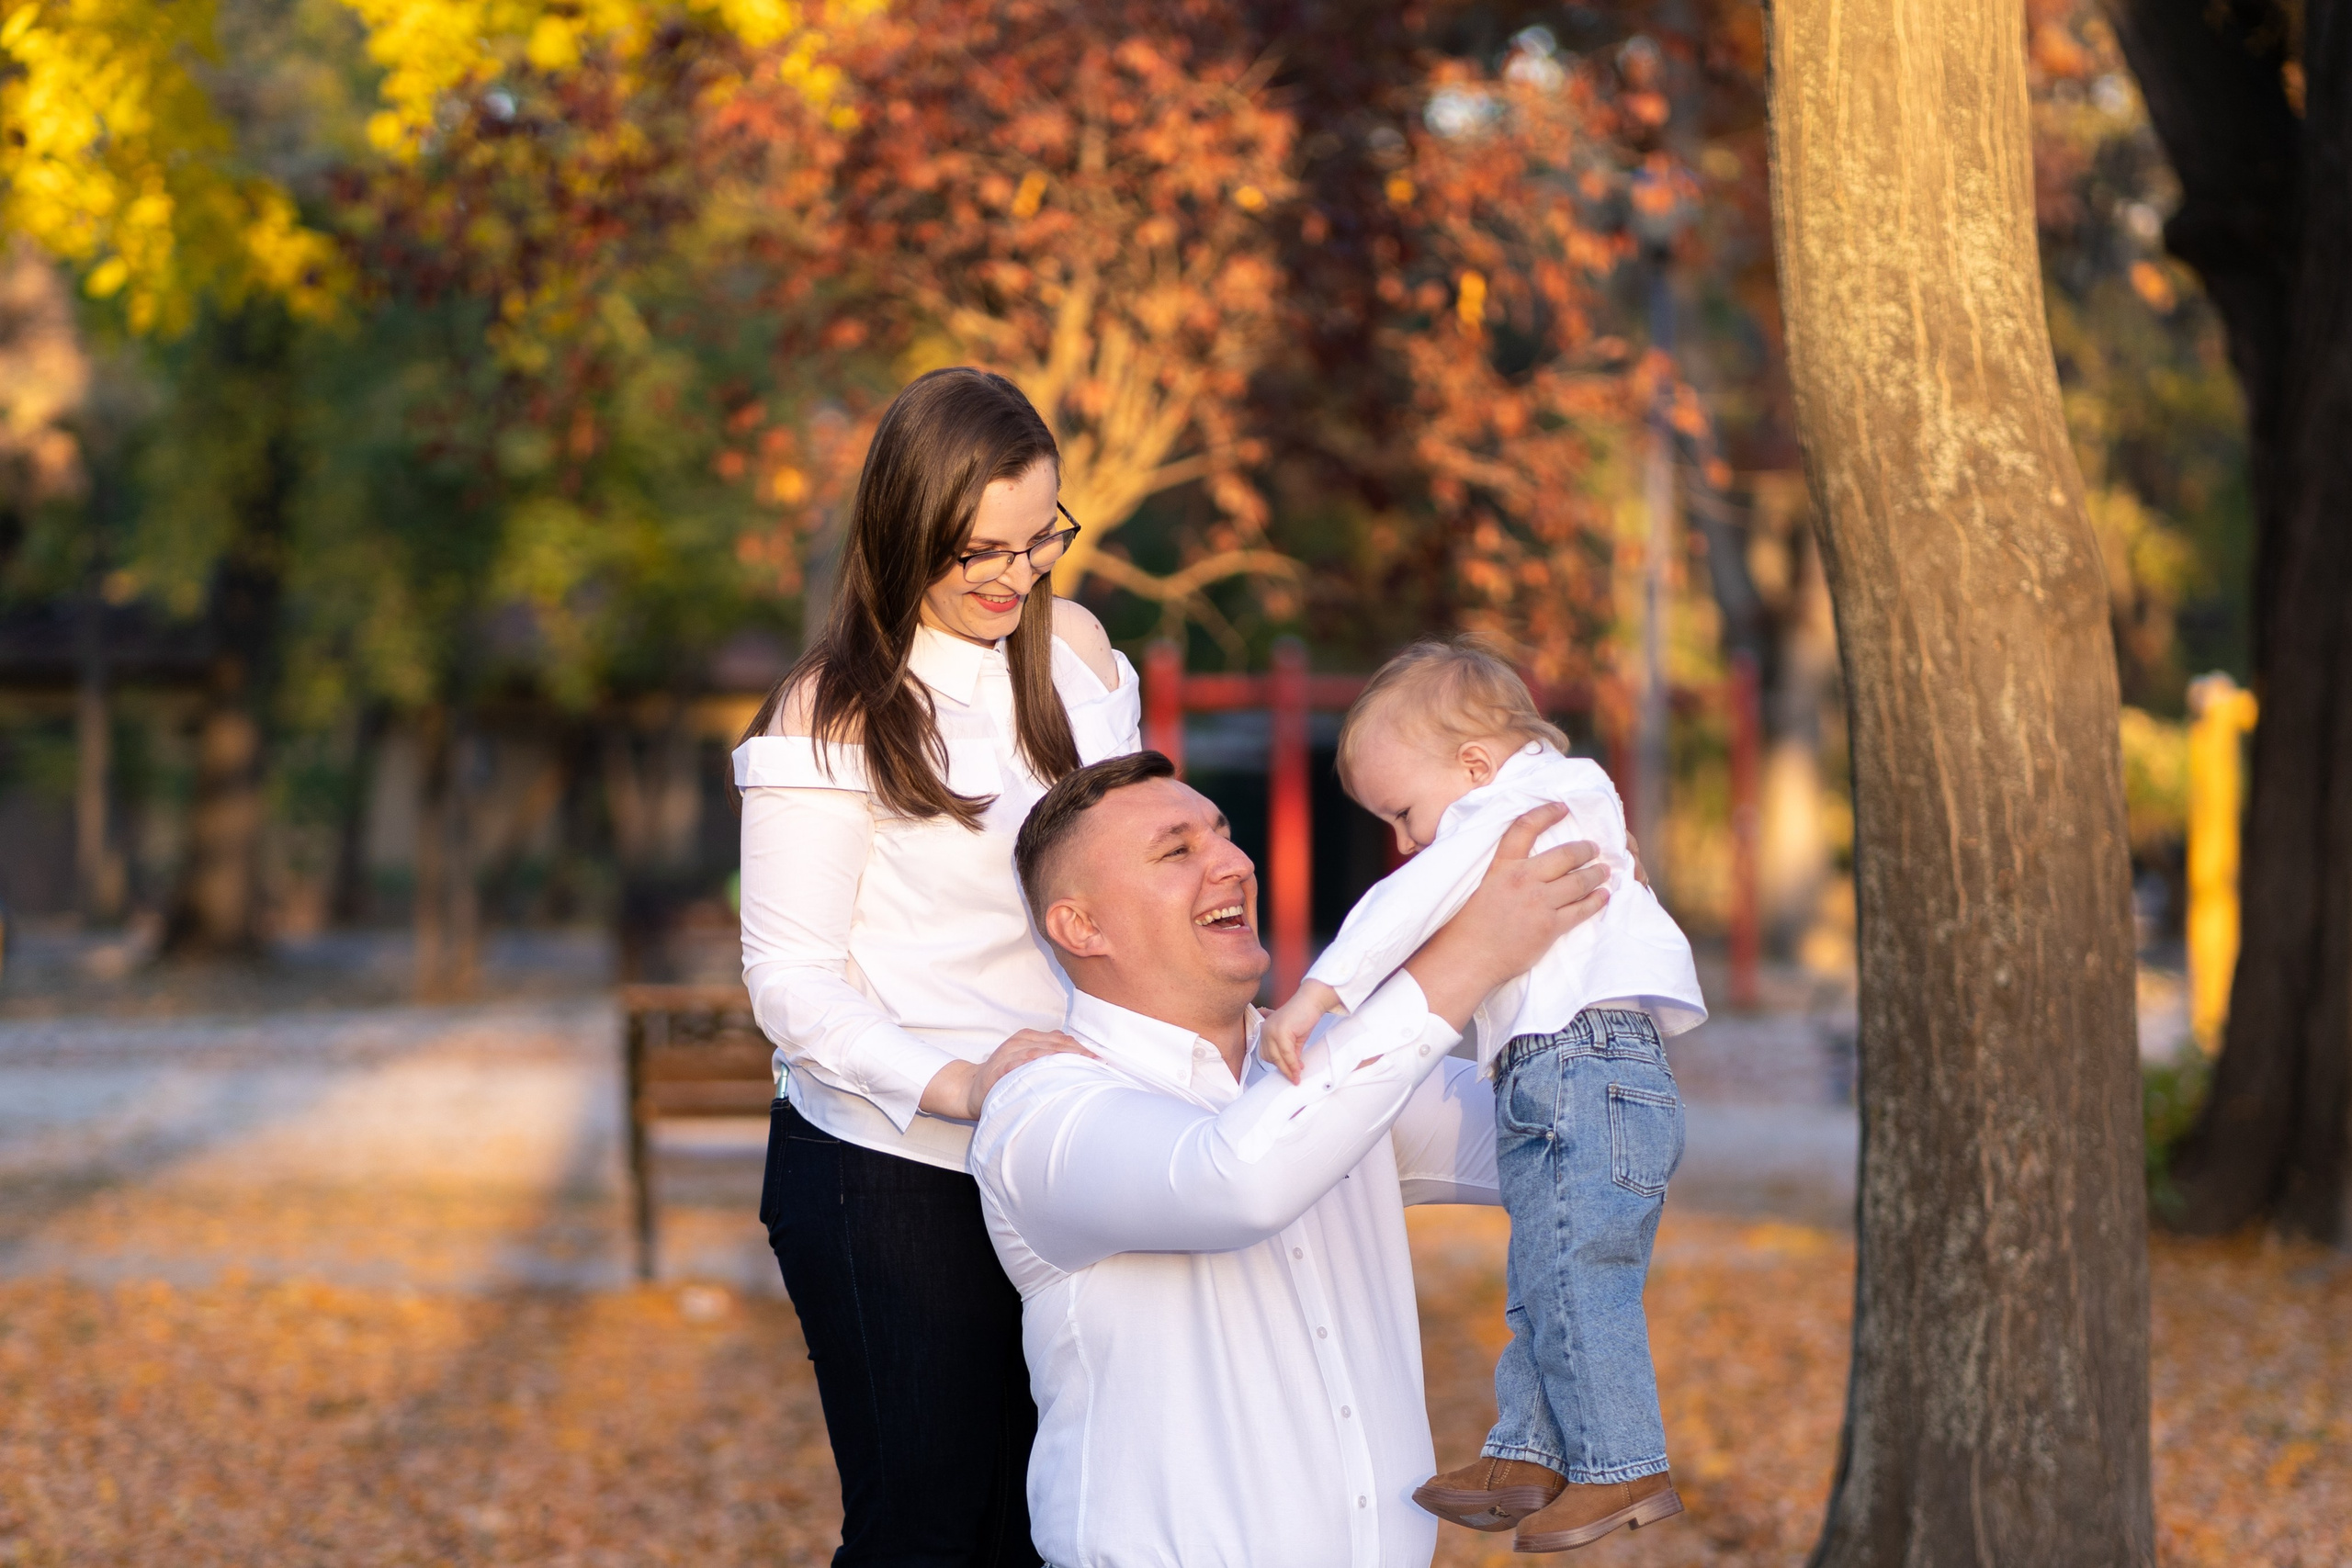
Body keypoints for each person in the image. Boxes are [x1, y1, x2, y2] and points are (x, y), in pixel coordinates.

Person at [967, 750, 1619, 1568]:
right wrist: (1468, 953)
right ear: (1081, 927)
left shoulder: (1333, 1068)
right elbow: (1235, 1181)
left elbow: (1600, 1143)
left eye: (1225, 836)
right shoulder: (1041, 1113)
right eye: (1178, 851)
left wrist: (1587, 922)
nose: (1235, 864)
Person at [734, 367, 1136, 1566]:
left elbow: (1128, 887)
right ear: (904, 530)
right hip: (887, 1168)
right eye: (980, 550)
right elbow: (792, 981)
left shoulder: (1079, 661)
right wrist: (960, 1080)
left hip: (1065, 1148)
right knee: (928, 1528)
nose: (1016, 576)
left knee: (1055, 1522)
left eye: (1039, 539)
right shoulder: (832, 710)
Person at [1261, 637, 1705, 1551]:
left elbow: (1406, 901)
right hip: (1574, 1070)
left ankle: (1621, 1467)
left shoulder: (1519, 807)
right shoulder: (1567, 800)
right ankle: (1528, 1454)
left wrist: (1319, 993)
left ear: (1473, 765)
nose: (1404, 840)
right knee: (1545, 1276)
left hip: (1584, 1067)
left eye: (1404, 811)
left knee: (1578, 1282)